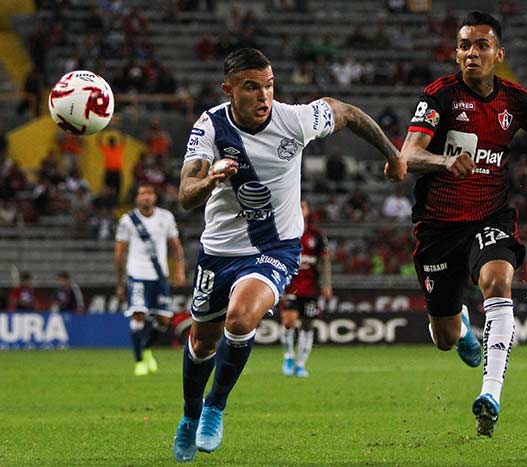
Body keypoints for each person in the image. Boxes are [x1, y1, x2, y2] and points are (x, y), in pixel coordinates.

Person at [173, 48, 405, 462]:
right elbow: (186, 195)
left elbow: (347, 112)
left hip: (274, 248)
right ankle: (190, 415)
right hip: (218, 251)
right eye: (251, 87)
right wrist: (211, 177)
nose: (264, 95)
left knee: (241, 317)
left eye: (269, 84)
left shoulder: (295, 120)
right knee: (201, 341)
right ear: (228, 90)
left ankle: (215, 406)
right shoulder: (210, 125)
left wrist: (393, 154)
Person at [396, 11, 527, 438]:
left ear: (499, 53)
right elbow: (407, 155)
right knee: (443, 336)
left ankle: (490, 394)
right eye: (464, 46)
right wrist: (442, 161)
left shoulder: (517, 101)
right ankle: (458, 319)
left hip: (490, 217)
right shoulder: (438, 97)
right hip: (438, 228)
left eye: (480, 46)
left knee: (498, 282)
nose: (471, 54)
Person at [114, 183, 186, 376]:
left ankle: (145, 348)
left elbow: (175, 246)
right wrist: (120, 282)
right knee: (138, 315)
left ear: (155, 197)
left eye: (150, 193)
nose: (146, 196)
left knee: (163, 320)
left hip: (159, 275)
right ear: (137, 198)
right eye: (142, 193)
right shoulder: (127, 220)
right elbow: (119, 252)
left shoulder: (166, 217)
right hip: (137, 274)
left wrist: (179, 270)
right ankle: (139, 362)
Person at [280, 199, 331, 378]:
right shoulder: (286, 232)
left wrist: (326, 284)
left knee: (307, 325)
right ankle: (288, 356)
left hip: (311, 288)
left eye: (303, 207)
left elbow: (324, 261)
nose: (301, 210)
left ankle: (301, 364)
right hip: (291, 286)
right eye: (298, 207)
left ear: (308, 211)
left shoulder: (316, 235)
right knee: (289, 322)